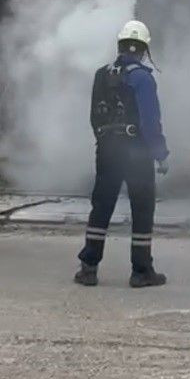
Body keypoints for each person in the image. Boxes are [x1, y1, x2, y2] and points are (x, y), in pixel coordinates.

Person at [75, 20, 169, 288]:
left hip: (107, 148)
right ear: (143, 49)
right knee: (142, 208)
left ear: (119, 45)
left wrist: (104, 142)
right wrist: (160, 153)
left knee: (101, 205)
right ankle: (141, 271)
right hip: (136, 151)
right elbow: (150, 122)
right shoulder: (142, 77)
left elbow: (94, 116)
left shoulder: (100, 74)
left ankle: (88, 267)